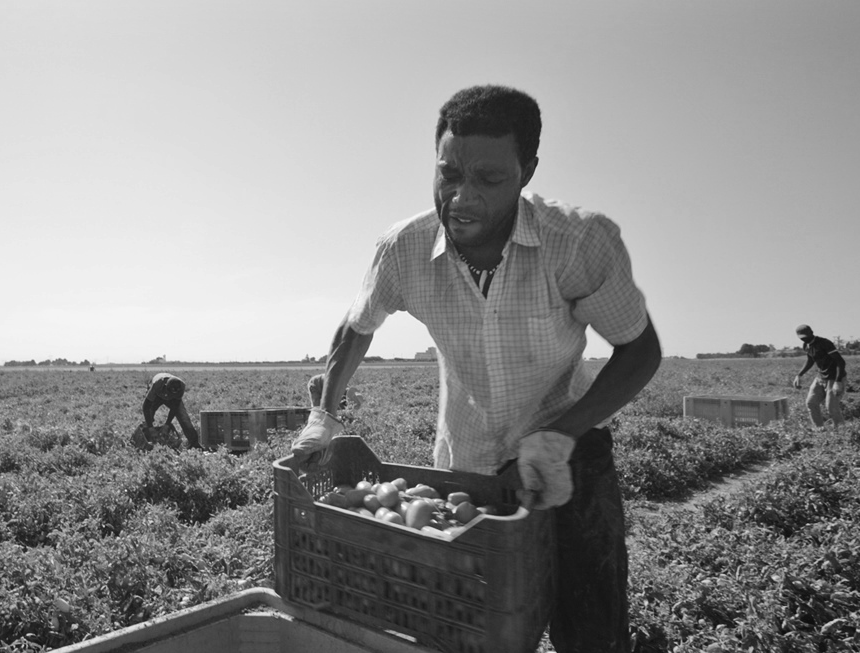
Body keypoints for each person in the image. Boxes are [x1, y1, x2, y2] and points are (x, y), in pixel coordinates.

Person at [292, 85, 661, 653]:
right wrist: (324, 414)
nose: (461, 198)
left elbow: (640, 351)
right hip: (467, 462)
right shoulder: (405, 249)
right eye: (448, 174)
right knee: (464, 624)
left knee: (589, 628)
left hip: (566, 456)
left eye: (489, 180)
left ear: (527, 170)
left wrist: (558, 437)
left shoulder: (578, 243)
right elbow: (357, 326)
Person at [792, 324, 847, 427]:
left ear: (811, 333)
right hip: (820, 377)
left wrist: (838, 381)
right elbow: (810, 360)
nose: (804, 339)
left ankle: (841, 433)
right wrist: (799, 375)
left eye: (806, 337)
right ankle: (819, 430)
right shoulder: (806, 345)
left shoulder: (824, 343)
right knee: (811, 403)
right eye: (801, 338)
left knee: (831, 407)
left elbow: (840, 362)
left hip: (834, 378)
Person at [142, 372, 201, 448]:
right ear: (166, 387)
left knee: (183, 417)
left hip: (173, 400)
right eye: (170, 393)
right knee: (149, 416)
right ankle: (147, 441)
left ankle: (194, 444)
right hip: (157, 397)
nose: (169, 396)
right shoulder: (157, 385)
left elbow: (175, 407)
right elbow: (146, 407)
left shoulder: (181, 387)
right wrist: (150, 427)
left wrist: (167, 424)